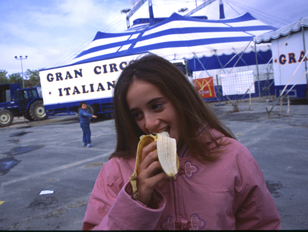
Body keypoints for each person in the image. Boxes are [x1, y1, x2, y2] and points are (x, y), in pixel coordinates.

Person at [82, 54, 281, 230]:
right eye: (137, 114)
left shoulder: (233, 156)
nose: (149, 123)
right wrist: (137, 199)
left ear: (182, 99)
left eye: (157, 106)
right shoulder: (115, 172)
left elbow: (262, 223)